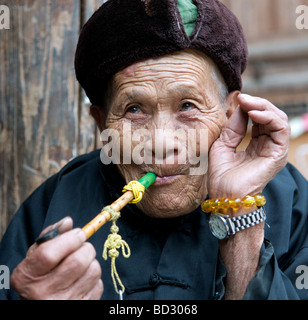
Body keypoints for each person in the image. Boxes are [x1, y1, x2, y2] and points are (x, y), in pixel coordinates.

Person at [1, 0, 308, 300]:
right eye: (134, 109)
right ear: (101, 123)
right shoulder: (52, 207)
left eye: (188, 106)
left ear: (230, 114)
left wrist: (238, 214)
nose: (161, 144)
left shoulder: (290, 201)